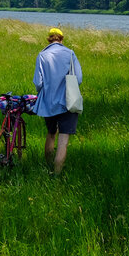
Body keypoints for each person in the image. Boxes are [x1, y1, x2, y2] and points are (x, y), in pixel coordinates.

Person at [33, 27, 82, 175]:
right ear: (61, 39)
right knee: (63, 141)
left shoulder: (42, 55)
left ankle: (47, 165)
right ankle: (57, 174)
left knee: (51, 133)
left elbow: (38, 82)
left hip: (48, 103)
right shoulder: (70, 54)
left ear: (49, 39)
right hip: (68, 102)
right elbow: (78, 79)